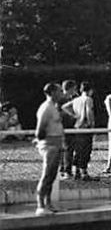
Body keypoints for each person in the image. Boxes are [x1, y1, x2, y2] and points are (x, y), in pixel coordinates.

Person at [33, 83, 66, 215]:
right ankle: (40, 205)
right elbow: (40, 130)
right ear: (52, 92)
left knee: (52, 176)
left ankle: (48, 203)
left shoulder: (54, 107)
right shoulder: (46, 108)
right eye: (59, 91)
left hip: (56, 144)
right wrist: (45, 143)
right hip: (50, 145)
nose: (61, 93)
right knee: (47, 175)